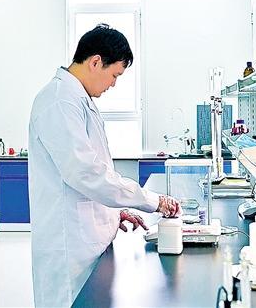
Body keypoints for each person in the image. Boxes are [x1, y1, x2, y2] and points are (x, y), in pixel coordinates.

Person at [28, 24, 181, 307]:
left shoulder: (77, 99)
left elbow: (91, 172)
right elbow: (86, 173)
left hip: (86, 239)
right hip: (69, 246)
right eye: (114, 75)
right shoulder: (59, 101)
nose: (113, 84)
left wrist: (112, 213)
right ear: (95, 61)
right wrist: (152, 201)